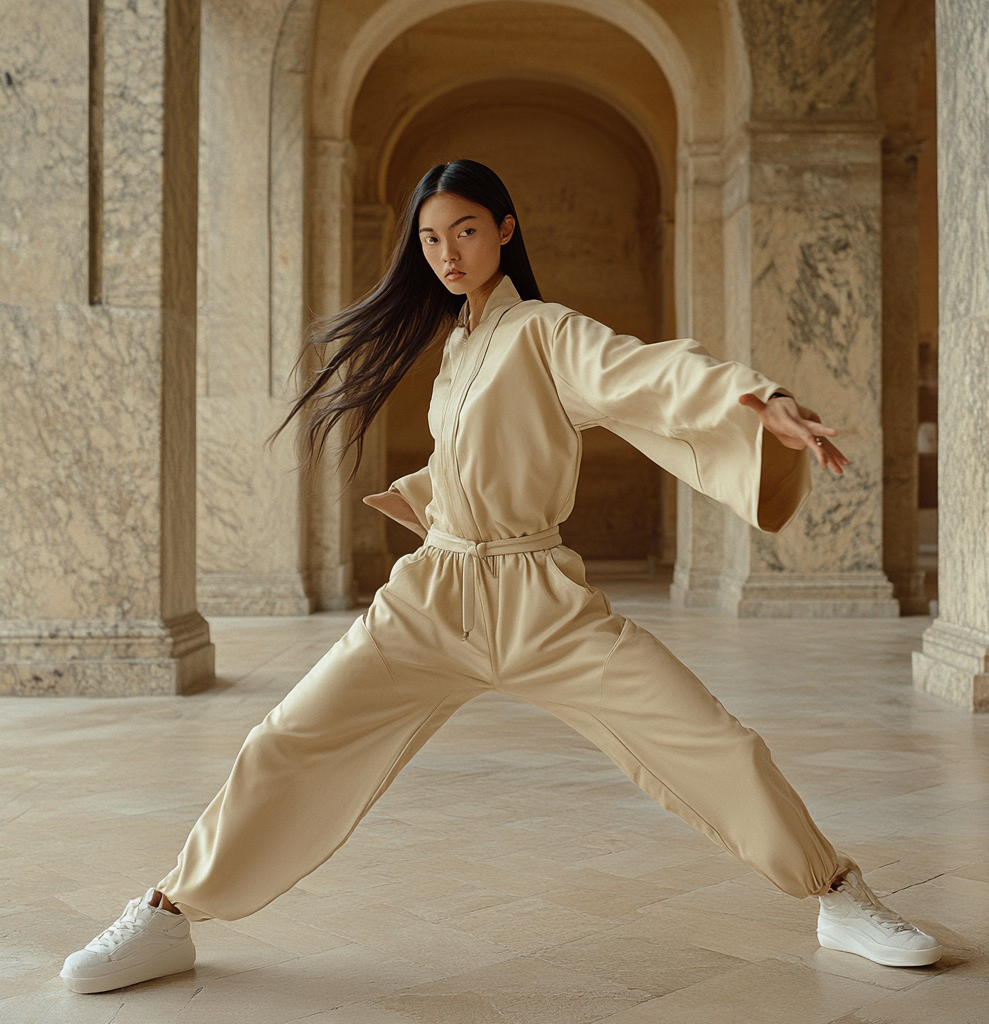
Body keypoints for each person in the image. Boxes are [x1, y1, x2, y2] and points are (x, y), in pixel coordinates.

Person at [61, 160, 941, 995]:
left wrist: (757, 400)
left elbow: (647, 371)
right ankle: (169, 911)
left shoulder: (547, 331)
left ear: (506, 229)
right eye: (432, 238)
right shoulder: (458, 347)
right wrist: (423, 496)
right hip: (433, 599)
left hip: (539, 602)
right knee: (291, 741)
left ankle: (837, 893)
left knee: (715, 744)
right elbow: (474, 454)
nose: (447, 254)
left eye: (467, 231)